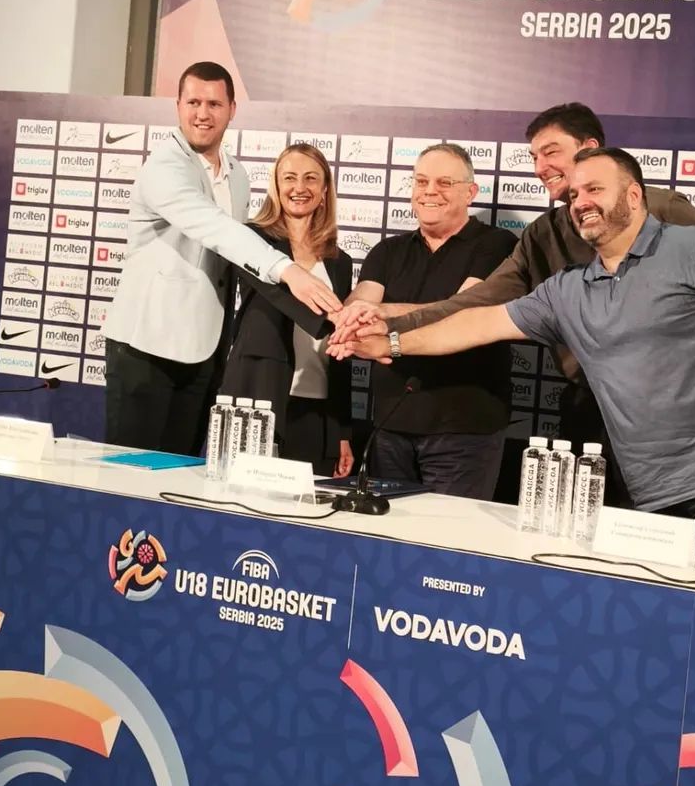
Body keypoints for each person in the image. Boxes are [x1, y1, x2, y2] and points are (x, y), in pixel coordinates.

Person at [331, 148, 695, 542]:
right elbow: (476, 323)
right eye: (574, 194)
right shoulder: (567, 289)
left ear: (634, 195)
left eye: (595, 189)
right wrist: (392, 342)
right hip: (651, 495)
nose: (580, 203)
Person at [330, 102, 695, 505]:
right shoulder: (542, 235)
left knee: (681, 533)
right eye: (534, 157)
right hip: (593, 405)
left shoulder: (662, 208)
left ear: (590, 148)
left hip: (677, 409)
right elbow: (474, 306)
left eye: (551, 152)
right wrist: (388, 327)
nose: (540, 167)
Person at [105, 61, 341, 454]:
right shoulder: (164, 166)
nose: (203, 113)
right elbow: (214, 228)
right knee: (130, 472)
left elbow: (236, 262)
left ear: (232, 109)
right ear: (178, 106)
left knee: (180, 472)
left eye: (214, 104)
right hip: (146, 348)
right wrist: (288, 270)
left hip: (206, 352)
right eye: (193, 102)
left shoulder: (238, 175)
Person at [339, 143, 517, 499]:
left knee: (449, 532)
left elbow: (461, 309)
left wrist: (383, 313)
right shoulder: (388, 251)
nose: (429, 191)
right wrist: (353, 316)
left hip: (464, 432)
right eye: (421, 181)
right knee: (388, 533)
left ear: (470, 192)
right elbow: (361, 302)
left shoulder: (498, 244)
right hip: (389, 428)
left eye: (444, 182)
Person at [219, 144, 353, 476]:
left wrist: (342, 431)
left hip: (318, 408)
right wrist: (331, 317)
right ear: (276, 186)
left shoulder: (340, 262)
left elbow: (341, 350)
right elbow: (279, 294)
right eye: (289, 178)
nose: (299, 187)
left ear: (324, 190)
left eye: (311, 178)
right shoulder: (252, 239)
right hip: (257, 398)